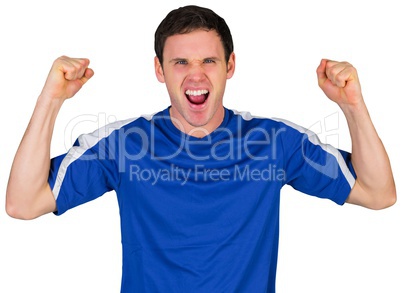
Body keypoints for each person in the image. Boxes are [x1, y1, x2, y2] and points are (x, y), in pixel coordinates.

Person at [6, 5, 396, 292]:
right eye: (180, 62)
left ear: (230, 66)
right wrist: (51, 99)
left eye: (209, 60)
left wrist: (352, 105)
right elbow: (23, 204)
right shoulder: (124, 145)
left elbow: (378, 194)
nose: (196, 74)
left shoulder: (275, 143)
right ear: (159, 70)